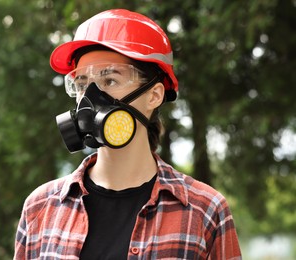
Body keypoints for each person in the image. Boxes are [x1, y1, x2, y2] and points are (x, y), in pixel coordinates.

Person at [14, 9, 242, 259]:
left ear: (154, 95)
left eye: (110, 80)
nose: (89, 99)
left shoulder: (205, 211)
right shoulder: (40, 208)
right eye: (81, 85)